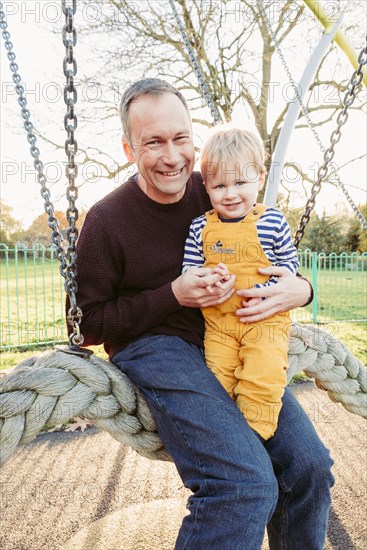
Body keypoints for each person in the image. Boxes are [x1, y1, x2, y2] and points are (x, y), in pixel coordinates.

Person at [74, 78, 334, 549]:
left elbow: (271, 250)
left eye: (180, 139)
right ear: (129, 149)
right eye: (153, 142)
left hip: (235, 336)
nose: (172, 156)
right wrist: (173, 293)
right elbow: (88, 325)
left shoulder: (217, 186)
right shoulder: (106, 220)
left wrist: (302, 289)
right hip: (155, 347)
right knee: (243, 486)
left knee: (309, 466)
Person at [182, 127, 299, 441]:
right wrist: (205, 282)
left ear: (260, 179)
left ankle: (255, 436)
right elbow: (189, 271)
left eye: (241, 183)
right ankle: (227, 439)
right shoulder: (200, 226)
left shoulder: (271, 221)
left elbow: (288, 266)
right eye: (220, 185)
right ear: (206, 185)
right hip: (219, 325)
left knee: (263, 374)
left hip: (265, 321)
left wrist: (264, 293)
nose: (230, 193)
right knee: (217, 381)